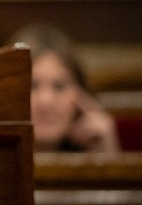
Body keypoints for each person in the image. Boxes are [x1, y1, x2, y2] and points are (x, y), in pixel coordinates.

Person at [12, 23, 120, 153]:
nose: (46, 101)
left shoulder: (101, 149)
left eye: (59, 86)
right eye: (32, 86)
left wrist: (106, 154)